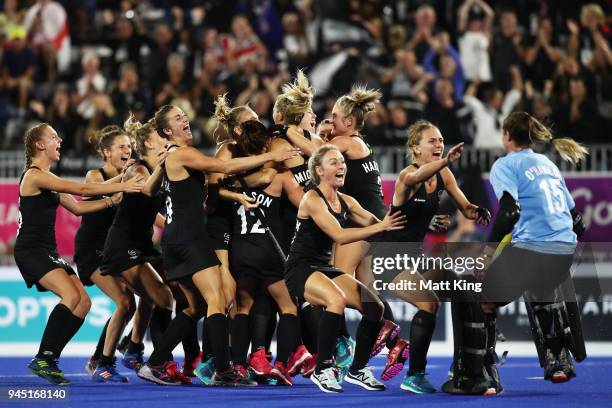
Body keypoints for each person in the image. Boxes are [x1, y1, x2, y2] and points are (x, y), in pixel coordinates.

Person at [136, 105, 299, 386]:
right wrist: (272, 155)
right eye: (177, 119)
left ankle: (155, 363)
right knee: (218, 301)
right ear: (167, 131)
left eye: (183, 115)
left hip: (176, 239)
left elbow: (149, 191)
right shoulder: (183, 153)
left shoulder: (170, 157)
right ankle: (223, 370)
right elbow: (222, 167)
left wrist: (161, 166)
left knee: (196, 307)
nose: (184, 119)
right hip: (190, 239)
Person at [445, 111, 588, 395]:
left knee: (481, 297)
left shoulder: (505, 165)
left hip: (533, 249)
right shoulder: (547, 163)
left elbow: (509, 212)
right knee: (540, 287)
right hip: (564, 250)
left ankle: (484, 376)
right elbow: (578, 223)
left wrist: (487, 253)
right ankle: (558, 360)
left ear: (507, 135)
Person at [15, 123, 143, 385]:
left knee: (83, 303)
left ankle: (48, 359)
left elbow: (77, 208)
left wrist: (112, 199)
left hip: (47, 250)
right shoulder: (34, 176)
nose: (59, 139)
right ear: (40, 145)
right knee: (72, 295)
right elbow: (83, 191)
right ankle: (43, 357)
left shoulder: (47, 179)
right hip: (32, 250)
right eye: (53, 137)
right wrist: (124, 184)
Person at [284, 145, 406, 393]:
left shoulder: (346, 201)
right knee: (336, 300)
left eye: (342, 161)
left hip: (325, 268)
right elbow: (339, 235)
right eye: (334, 162)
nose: (342, 166)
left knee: (375, 307)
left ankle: (357, 370)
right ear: (318, 170)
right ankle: (323, 369)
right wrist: (378, 227)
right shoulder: (312, 198)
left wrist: (400, 219)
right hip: (300, 268)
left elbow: (377, 224)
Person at [380, 120, 490, 393]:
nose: (439, 145)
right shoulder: (408, 175)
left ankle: (466, 362)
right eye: (432, 141)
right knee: (429, 305)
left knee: (458, 281)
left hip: (414, 257)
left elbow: (466, 208)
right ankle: (414, 376)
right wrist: (446, 161)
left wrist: (479, 211)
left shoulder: (444, 175)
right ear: (415, 148)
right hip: (389, 259)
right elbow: (416, 178)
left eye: (441, 140)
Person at [229, 120, 307, 385]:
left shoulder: (235, 177)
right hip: (268, 249)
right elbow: (304, 201)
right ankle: (283, 363)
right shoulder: (279, 176)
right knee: (288, 307)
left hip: (239, 249)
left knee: (243, 307)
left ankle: (238, 366)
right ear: (266, 145)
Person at [100, 116, 178, 380]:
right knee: (163, 298)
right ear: (147, 141)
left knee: (156, 294)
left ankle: (128, 351)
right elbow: (146, 191)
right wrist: (165, 164)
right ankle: (156, 363)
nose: (166, 142)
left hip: (142, 245)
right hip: (124, 247)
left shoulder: (157, 168)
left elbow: (155, 210)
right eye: (161, 138)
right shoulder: (138, 168)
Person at [76, 126, 135, 383]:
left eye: (129, 145)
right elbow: (91, 191)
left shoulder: (130, 176)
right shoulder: (95, 175)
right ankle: (103, 365)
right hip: (92, 250)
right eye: (121, 146)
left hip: (114, 250)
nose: (127, 150)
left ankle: (98, 358)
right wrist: (128, 180)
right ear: (107, 153)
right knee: (123, 301)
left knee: (130, 304)